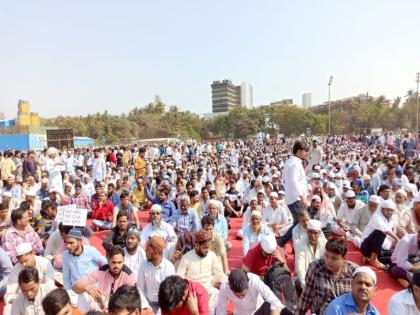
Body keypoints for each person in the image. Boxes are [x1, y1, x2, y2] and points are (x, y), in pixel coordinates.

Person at [296, 239, 357, 315]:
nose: (328, 261)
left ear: (344, 258)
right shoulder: (316, 268)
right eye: (327, 256)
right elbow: (306, 298)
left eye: (334, 258)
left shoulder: (354, 272)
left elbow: (359, 301)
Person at [72, 245, 137, 313]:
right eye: (113, 262)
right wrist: (86, 287)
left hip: (119, 310)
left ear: (123, 261)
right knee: (83, 293)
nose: (116, 266)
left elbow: (131, 301)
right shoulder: (101, 271)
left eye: (119, 262)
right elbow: (74, 286)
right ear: (108, 260)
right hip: (102, 307)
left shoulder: (129, 276)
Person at [177, 229, 226, 311]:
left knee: (218, 296)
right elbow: (179, 277)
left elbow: (219, 274)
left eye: (209, 247)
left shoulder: (211, 255)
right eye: (205, 247)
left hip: (208, 291)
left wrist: (229, 282)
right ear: (196, 245)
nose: (208, 250)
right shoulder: (186, 257)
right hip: (192, 294)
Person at [4, 243, 55, 314]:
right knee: (8, 308)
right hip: (23, 299)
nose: (24, 265)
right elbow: (9, 294)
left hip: (43, 297)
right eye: (21, 262)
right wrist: (20, 301)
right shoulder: (15, 269)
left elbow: (50, 286)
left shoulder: (45, 263)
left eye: (25, 260)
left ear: (32, 253)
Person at [216, 268, 292, 315]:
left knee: (282, 310)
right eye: (238, 296)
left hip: (259, 310)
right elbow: (220, 311)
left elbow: (275, 302)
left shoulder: (254, 280)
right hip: (240, 314)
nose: (241, 298)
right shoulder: (225, 287)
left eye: (243, 294)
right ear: (230, 289)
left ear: (248, 284)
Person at [280, 141, 309, 246]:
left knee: (299, 223)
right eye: (305, 151)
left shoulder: (289, 162)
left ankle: (295, 245)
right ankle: (281, 242)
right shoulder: (294, 164)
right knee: (300, 223)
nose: (306, 154)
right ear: (299, 151)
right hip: (296, 199)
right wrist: (302, 198)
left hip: (293, 197)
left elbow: (285, 180)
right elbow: (293, 182)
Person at [137, 236, 175, 313]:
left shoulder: (168, 268)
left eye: (148, 249)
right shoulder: (143, 265)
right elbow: (140, 289)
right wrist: (146, 307)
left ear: (155, 253)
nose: (145, 251)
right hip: (146, 304)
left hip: (164, 305)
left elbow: (169, 294)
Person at [360, 199, 399, 269]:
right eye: (388, 210)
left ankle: (368, 259)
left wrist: (391, 249)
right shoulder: (377, 217)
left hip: (380, 249)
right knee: (381, 232)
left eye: (392, 210)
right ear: (382, 209)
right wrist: (398, 239)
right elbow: (385, 230)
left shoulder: (392, 219)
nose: (390, 212)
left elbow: (393, 233)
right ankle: (373, 259)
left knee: (396, 257)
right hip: (367, 247)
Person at [294, 219, 326, 291]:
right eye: (310, 232)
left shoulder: (324, 243)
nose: (312, 235)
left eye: (315, 233)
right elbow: (300, 268)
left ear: (320, 233)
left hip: (320, 276)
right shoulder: (299, 244)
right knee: (298, 283)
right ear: (306, 231)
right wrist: (307, 286)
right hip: (306, 277)